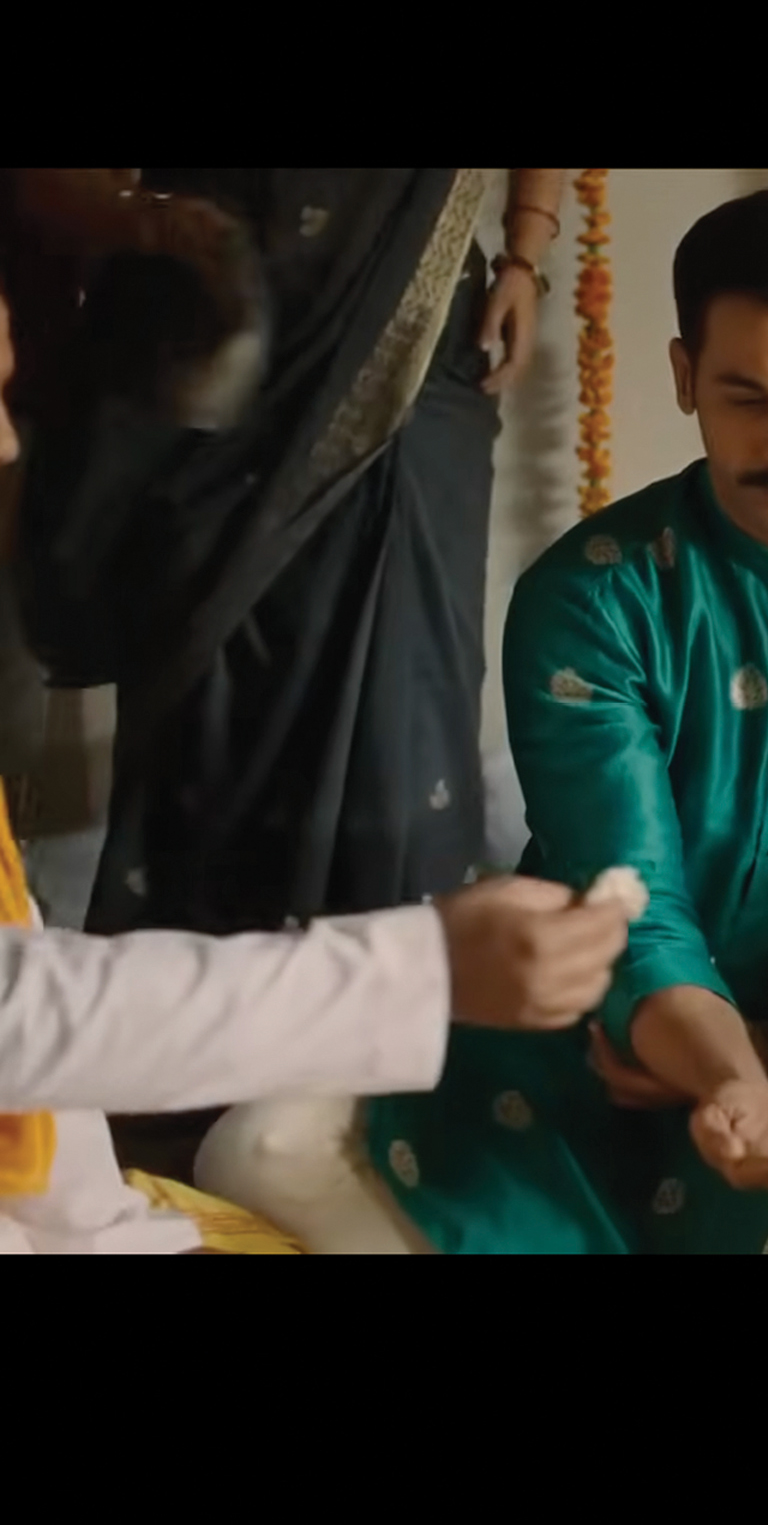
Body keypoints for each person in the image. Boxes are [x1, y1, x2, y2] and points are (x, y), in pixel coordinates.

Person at [203, 188, 768, 1254]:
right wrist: (725, 1076)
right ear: (683, 378)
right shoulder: (588, 595)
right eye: (746, 397)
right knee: (255, 1144)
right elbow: (634, 905)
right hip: (591, 1047)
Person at [1, 279, 635, 1254]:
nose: (8, 447)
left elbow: (41, 1076)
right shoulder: (596, 599)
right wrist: (421, 968)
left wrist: (120, 1231)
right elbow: (25, 1017)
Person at [2, 167, 565, 941]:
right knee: (206, 715)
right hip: (207, 318)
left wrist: (525, 251)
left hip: (411, 328)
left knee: (406, 712)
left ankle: (398, 1012)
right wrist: (149, 222)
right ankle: (211, 1018)